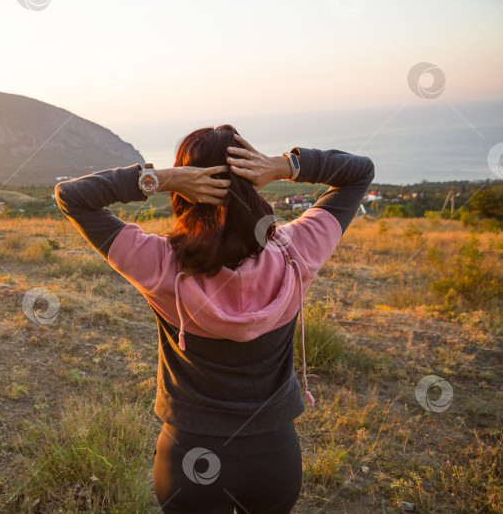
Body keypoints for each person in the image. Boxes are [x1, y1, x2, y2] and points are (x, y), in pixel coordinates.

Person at [55, 124, 375, 513]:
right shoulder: (297, 253)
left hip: (189, 457)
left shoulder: (160, 265)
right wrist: (285, 166)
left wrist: (164, 178)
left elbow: (72, 196)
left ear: (185, 192)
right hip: (274, 457)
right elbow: (359, 172)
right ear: (252, 180)